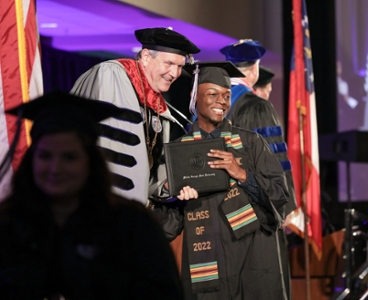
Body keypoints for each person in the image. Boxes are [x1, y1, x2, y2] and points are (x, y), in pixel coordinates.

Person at [0, 91, 183, 299]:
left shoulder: (130, 226)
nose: (55, 168)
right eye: (45, 155)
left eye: (69, 157)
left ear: (90, 162)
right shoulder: (8, 227)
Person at [153, 62, 291, 300]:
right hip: (208, 262)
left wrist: (242, 174)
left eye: (226, 95)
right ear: (195, 96)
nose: (222, 101)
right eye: (213, 94)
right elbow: (170, 224)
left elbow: (280, 194)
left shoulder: (251, 143)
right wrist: (170, 192)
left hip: (255, 257)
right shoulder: (179, 152)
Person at [71, 27, 200, 205]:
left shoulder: (157, 104)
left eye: (179, 66)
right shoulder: (112, 76)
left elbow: (144, 171)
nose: (175, 73)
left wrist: (167, 186)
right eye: (169, 64)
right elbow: (113, 156)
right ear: (146, 57)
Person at [220, 40, 297, 221]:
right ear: (255, 69)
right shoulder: (257, 106)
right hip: (253, 209)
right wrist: (284, 204)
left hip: (215, 205)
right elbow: (273, 157)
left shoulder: (208, 102)